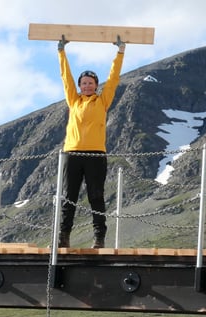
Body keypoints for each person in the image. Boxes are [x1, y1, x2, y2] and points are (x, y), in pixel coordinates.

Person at [56, 34, 125, 248]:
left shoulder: (102, 101)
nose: (86, 86)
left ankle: (99, 237)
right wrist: (61, 51)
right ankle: (63, 237)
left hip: (96, 154)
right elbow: (65, 77)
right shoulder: (73, 100)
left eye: (90, 83)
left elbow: (113, 79)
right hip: (72, 154)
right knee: (69, 197)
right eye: (83, 83)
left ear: (96, 85)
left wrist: (120, 52)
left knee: (96, 196)